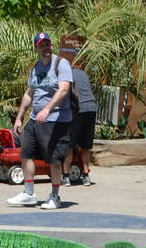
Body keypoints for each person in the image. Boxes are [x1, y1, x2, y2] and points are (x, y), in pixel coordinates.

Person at [7, 32, 74, 210]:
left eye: (48, 44)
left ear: (51, 46)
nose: (45, 48)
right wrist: (20, 117)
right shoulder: (35, 67)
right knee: (26, 153)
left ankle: (54, 196)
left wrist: (47, 109)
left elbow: (64, 90)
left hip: (56, 119)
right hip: (36, 119)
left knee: (54, 159)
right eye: (41, 45)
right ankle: (29, 193)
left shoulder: (61, 64)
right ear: (36, 48)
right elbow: (30, 93)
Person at [63, 60, 98, 186]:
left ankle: (65, 175)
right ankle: (85, 175)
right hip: (91, 108)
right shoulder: (83, 74)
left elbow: (69, 92)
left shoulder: (66, 74)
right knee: (85, 145)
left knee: (69, 144)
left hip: (79, 109)